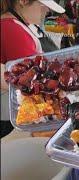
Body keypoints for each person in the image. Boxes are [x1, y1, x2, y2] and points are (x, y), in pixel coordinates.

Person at [1, 0, 65, 137]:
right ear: (23, 1)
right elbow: (29, 83)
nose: (47, 10)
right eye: (43, 5)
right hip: (13, 117)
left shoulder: (14, 25)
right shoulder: (13, 31)